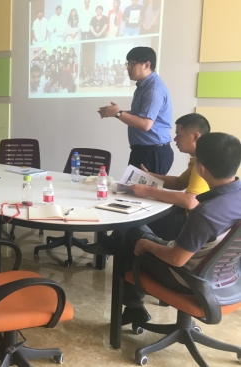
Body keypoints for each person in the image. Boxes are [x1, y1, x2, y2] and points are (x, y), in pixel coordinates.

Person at [120, 132, 241, 326]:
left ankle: (134, 307)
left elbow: (176, 259)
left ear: (201, 169)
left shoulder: (206, 213)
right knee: (143, 232)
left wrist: (147, 245)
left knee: (129, 231)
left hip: (189, 278)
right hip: (227, 278)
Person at [130, 114, 211, 240]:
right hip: (194, 217)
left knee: (135, 223)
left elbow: (190, 201)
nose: (174, 139)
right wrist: (150, 176)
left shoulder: (203, 163)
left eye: (179, 135)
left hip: (193, 224)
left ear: (195, 136)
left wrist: (148, 191)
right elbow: (179, 183)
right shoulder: (198, 158)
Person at [98, 47, 173, 174]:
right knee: (131, 187)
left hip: (153, 152)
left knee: (143, 188)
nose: (128, 68)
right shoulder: (144, 86)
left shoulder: (153, 89)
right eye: (127, 64)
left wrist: (118, 113)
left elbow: (145, 124)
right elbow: (140, 114)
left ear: (147, 65)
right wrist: (115, 112)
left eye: (132, 64)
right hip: (143, 151)